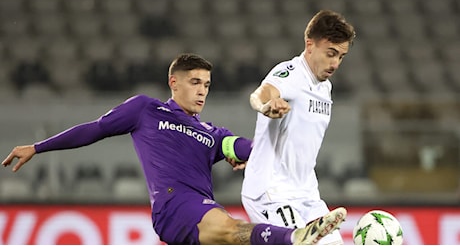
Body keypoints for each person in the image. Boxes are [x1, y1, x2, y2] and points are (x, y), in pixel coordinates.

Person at [3, 53, 344, 245]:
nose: (202, 92)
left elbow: (243, 146)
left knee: (229, 230)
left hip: (197, 210)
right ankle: (295, 237)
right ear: (174, 82)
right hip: (173, 204)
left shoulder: (211, 134)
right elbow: (95, 129)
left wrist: (267, 150)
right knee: (228, 228)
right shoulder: (146, 110)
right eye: (195, 82)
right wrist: (38, 147)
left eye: (207, 85)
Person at [241, 10, 356, 245]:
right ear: (310, 45)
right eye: (330, 53)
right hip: (271, 193)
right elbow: (261, 94)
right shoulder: (291, 74)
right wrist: (265, 106)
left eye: (341, 56)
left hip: (307, 194)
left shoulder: (325, 87)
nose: (335, 63)